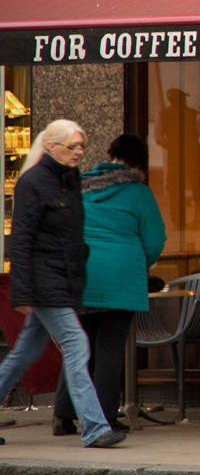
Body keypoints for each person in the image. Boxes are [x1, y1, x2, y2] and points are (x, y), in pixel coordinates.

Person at [0, 120, 125, 448]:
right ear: (51, 147)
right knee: (76, 343)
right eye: (72, 146)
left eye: (82, 146)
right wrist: (22, 291)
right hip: (45, 283)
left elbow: (71, 233)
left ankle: (94, 426)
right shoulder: (32, 183)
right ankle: (95, 427)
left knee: (25, 353)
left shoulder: (69, 179)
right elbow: (21, 239)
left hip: (62, 280)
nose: (79, 152)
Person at [53, 134, 166, 435]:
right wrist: (139, 263)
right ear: (140, 162)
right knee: (110, 350)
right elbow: (155, 240)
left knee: (79, 348)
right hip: (120, 280)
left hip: (82, 276)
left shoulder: (81, 187)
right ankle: (104, 417)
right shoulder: (138, 192)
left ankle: (63, 415)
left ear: (109, 153)